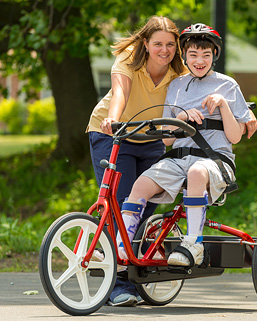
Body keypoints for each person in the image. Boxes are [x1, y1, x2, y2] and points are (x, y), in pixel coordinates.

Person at [115, 23, 252, 269]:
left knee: (196, 172)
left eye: (206, 55)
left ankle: (193, 244)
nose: (200, 60)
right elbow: (167, 140)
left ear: (214, 56)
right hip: (178, 158)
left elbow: (235, 137)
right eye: (193, 55)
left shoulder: (228, 86)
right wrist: (180, 117)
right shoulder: (176, 86)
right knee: (140, 185)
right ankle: (121, 246)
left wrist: (223, 105)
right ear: (185, 56)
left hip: (215, 161)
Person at [86, 16, 186, 307]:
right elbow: (120, 92)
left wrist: (243, 112)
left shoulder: (179, 71)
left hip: (151, 137)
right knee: (121, 205)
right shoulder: (129, 59)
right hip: (112, 133)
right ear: (146, 43)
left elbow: (205, 89)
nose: (164, 50)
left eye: (170, 44)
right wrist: (114, 119)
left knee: (142, 205)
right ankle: (116, 285)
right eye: (158, 44)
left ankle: (122, 262)